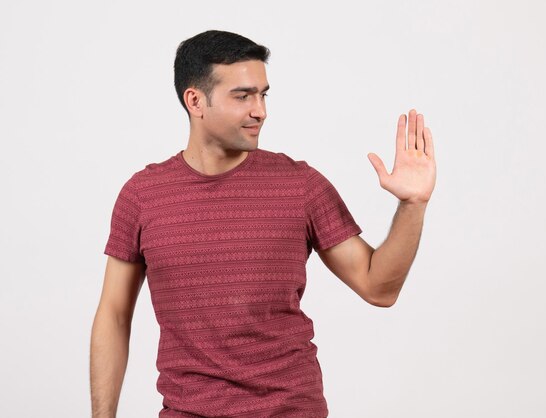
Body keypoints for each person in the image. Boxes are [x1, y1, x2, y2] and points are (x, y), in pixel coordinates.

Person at [90, 29, 436, 418]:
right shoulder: (142, 195)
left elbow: (378, 288)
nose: (261, 110)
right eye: (242, 96)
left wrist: (413, 204)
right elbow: (114, 315)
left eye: (263, 94)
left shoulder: (300, 185)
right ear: (195, 101)